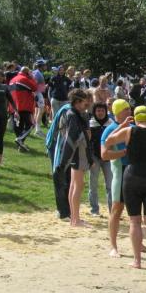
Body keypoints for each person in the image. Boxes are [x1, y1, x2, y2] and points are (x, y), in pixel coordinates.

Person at [104, 105, 146, 268]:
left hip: (133, 176)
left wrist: (121, 126)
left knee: (134, 221)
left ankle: (137, 261)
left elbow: (108, 141)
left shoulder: (129, 131)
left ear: (135, 118)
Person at [56, 89, 93, 227]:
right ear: (77, 101)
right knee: (78, 185)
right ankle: (76, 220)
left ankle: (74, 218)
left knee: (74, 185)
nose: (86, 104)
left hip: (77, 154)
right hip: (78, 154)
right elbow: (71, 139)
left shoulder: (73, 113)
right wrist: (65, 160)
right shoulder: (73, 115)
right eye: (84, 102)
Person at [101, 99, 133, 257]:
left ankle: (138, 243)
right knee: (116, 210)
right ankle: (113, 246)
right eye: (125, 109)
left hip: (134, 172)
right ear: (118, 112)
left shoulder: (133, 127)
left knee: (135, 211)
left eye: (129, 108)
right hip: (120, 172)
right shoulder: (110, 129)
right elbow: (104, 154)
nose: (129, 111)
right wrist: (124, 153)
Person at [87, 103, 113, 215]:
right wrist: (90, 158)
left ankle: (112, 211)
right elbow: (87, 142)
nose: (100, 113)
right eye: (98, 111)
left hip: (108, 157)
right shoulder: (90, 124)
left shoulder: (110, 124)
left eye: (102, 110)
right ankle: (94, 210)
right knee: (93, 184)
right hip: (94, 157)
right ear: (94, 112)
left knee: (110, 185)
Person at [10, 67, 38, 152]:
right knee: (30, 125)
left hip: (13, 106)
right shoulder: (25, 79)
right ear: (27, 73)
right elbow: (35, 87)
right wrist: (31, 77)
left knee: (18, 126)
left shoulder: (12, 79)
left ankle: (20, 145)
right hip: (23, 106)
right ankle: (20, 139)